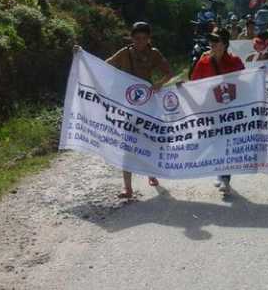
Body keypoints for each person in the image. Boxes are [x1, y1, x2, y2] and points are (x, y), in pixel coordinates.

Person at [105, 22, 174, 199]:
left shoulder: (154, 53)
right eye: (137, 38)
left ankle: (151, 173)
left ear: (149, 38)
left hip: (148, 105)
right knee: (128, 144)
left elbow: (169, 73)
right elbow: (105, 65)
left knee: (149, 141)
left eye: (144, 38)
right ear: (132, 38)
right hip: (128, 106)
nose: (140, 41)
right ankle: (127, 188)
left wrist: (159, 83)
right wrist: (82, 56)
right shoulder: (124, 53)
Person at [190, 28, 245, 195]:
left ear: (225, 44)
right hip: (211, 110)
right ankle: (220, 172)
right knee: (216, 142)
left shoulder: (235, 61)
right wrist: (182, 89)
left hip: (229, 109)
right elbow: (194, 83)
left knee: (227, 143)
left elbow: (245, 82)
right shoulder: (204, 62)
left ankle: (226, 179)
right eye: (211, 41)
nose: (213, 44)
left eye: (217, 41)